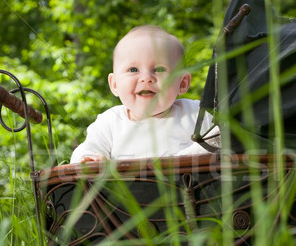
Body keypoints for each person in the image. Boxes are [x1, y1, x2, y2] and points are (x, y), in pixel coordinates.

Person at [70, 25, 216, 163]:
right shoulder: (110, 123)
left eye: (159, 69)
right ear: (114, 84)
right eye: (133, 70)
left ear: (182, 83)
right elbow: (86, 149)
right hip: (129, 189)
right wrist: (91, 159)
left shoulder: (196, 114)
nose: (146, 78)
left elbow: (224, 135)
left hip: (189, 187)